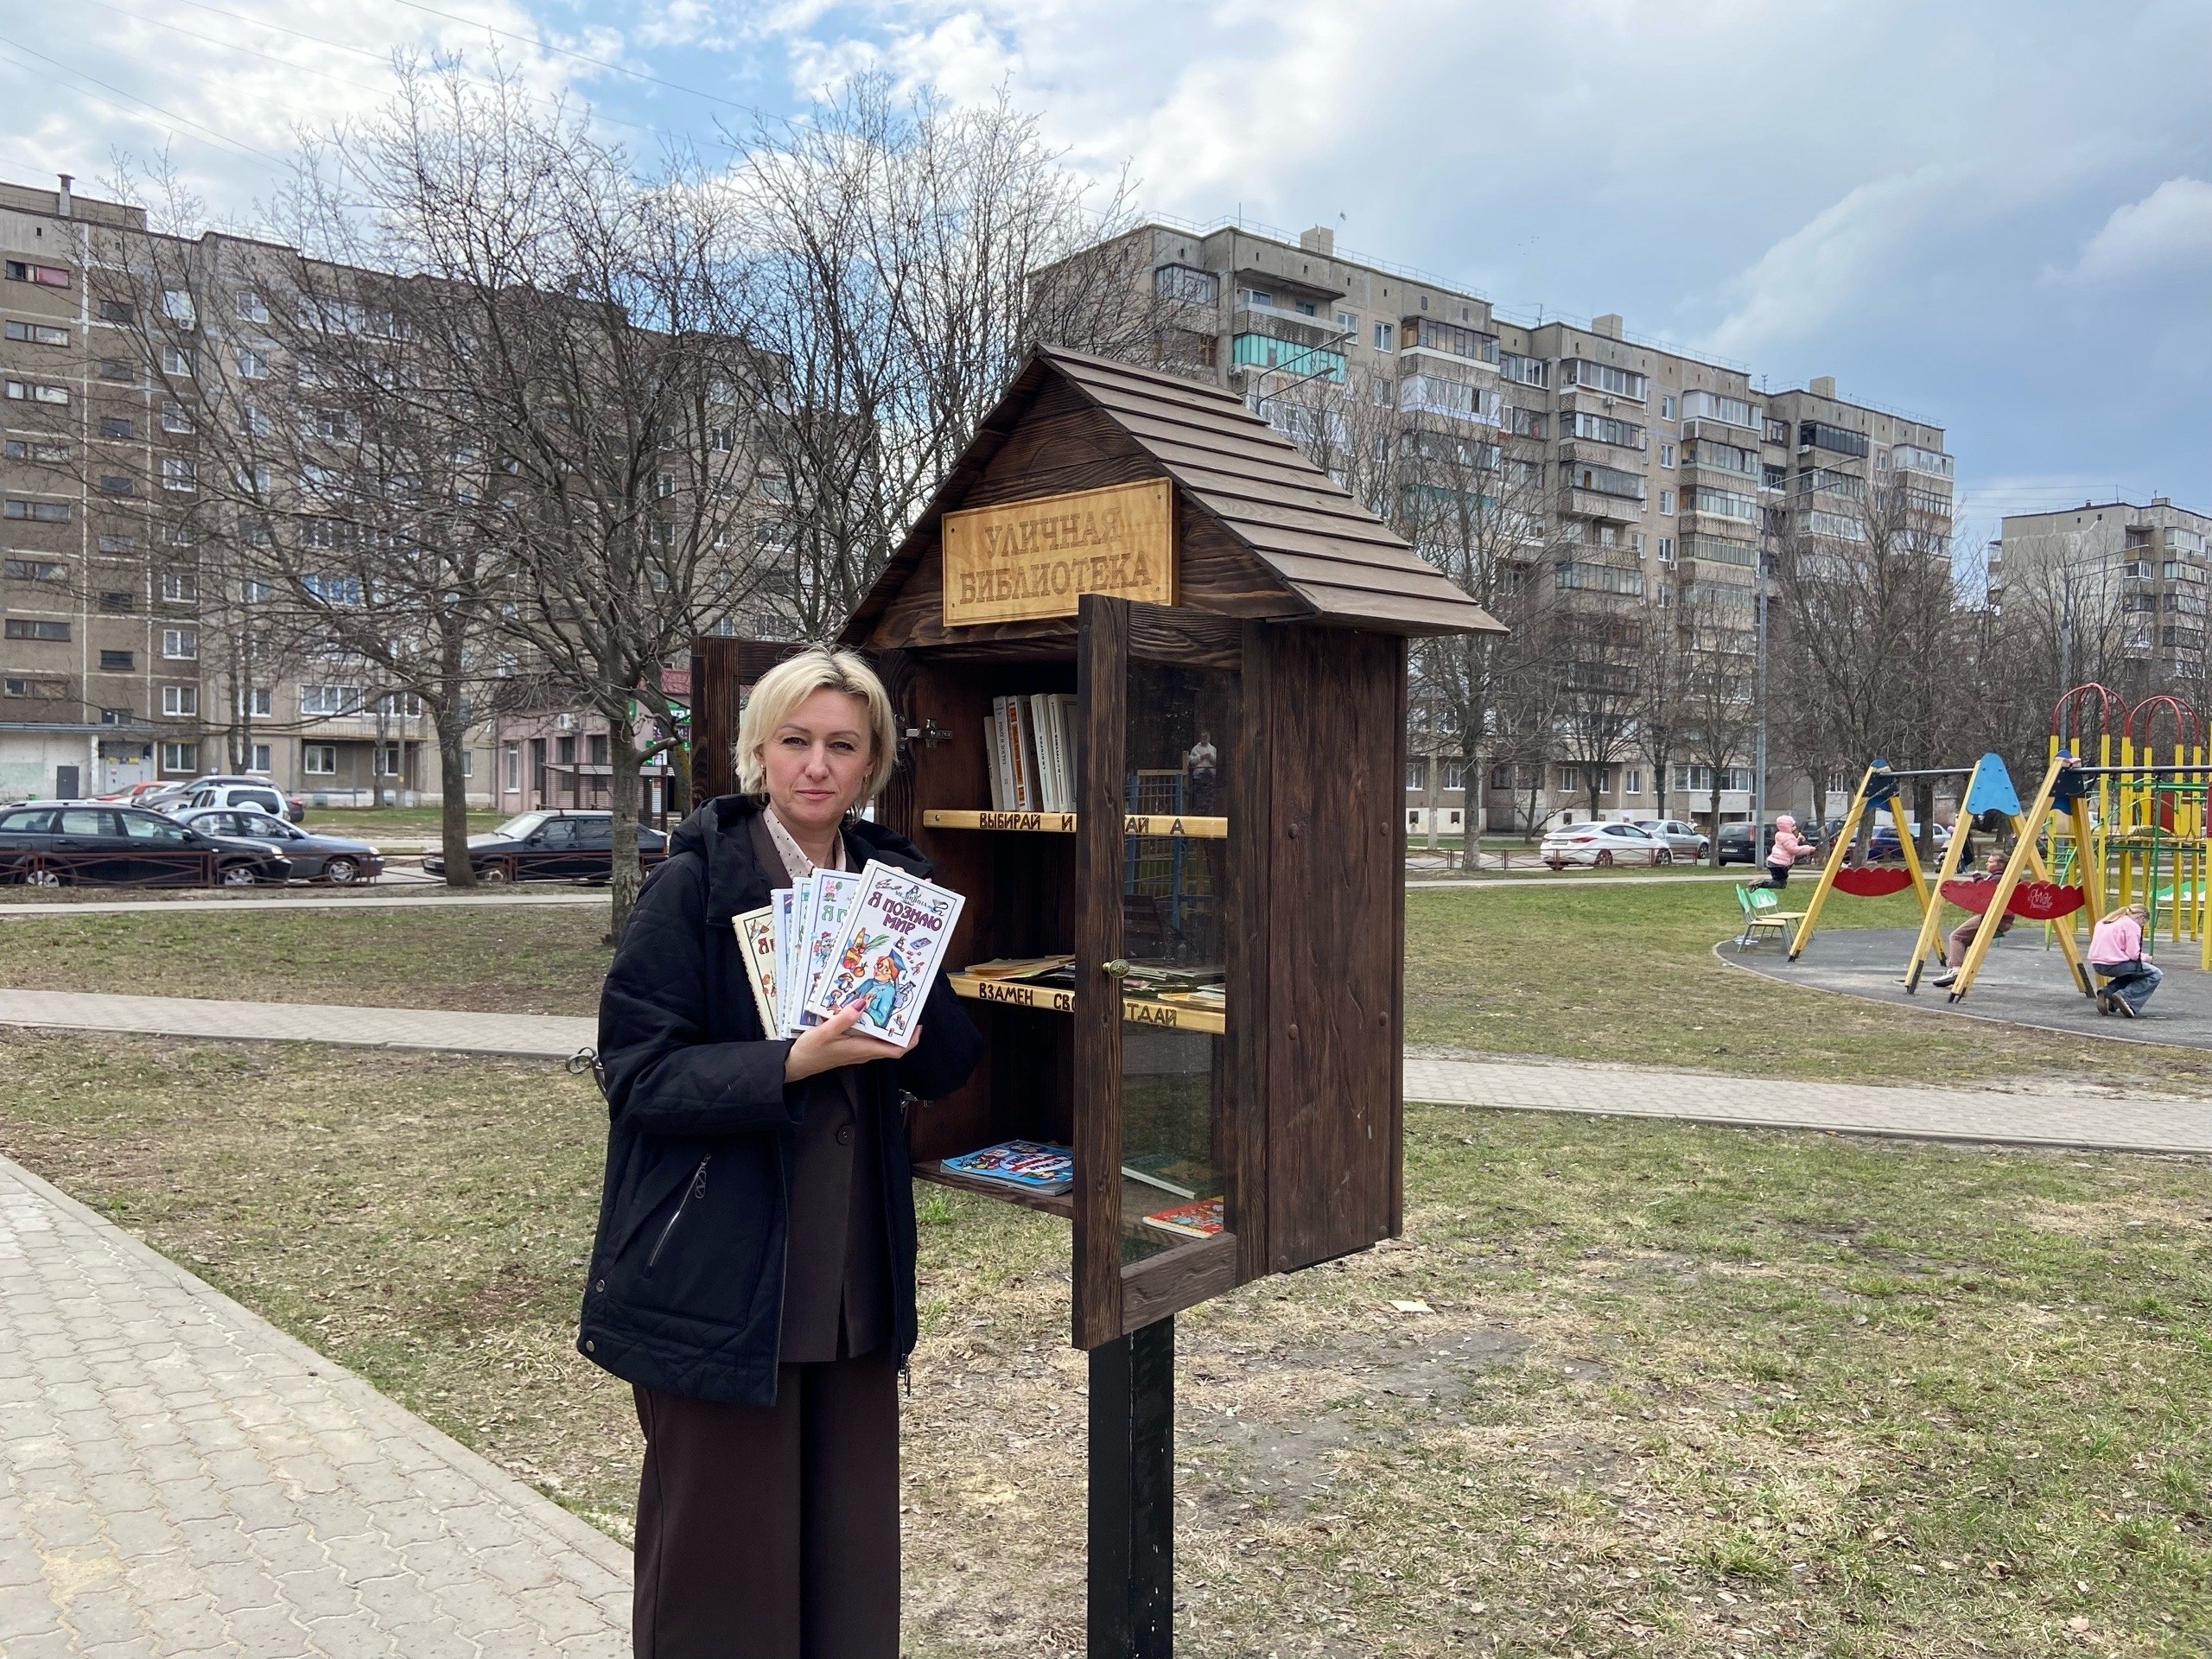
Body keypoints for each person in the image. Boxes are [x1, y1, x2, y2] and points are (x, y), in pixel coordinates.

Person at [579, 645, 982, 1658]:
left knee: (845, 1555)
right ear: (759, 749)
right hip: (719, 1265)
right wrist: (788, 1063)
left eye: (842, 746)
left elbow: (945, 1073)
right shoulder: (696, 884)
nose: (816, 765)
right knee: (723, 1560)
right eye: (796, 741)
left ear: (872, 762)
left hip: (851, 1274)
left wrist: (918, 994)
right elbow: (637, 1077)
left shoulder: (893, 883)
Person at [1929, 853, 2013, 988]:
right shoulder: (2004, 877)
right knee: (1964, 941)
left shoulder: (1998, 878)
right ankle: (1954, 969)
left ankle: (1955, 969)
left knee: (1957, 937)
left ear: (2000, 864)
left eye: (1990, 862)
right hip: (2002, 919)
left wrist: (1977, 878)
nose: (1987, 864)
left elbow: (1983, 892)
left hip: (1994, 917)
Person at [2088, 902, 2163, 1018]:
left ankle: (2108, 992)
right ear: (2141, 916)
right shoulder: (2131, 925)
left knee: (2133, 973)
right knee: (2155, 974)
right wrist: (2146, 958)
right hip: (2115, 964)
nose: (2142, 926)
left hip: (2097, 964)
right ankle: (2126, 997)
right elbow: (2133, 955)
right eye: (2144, 922)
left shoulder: (2105, 921)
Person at [1755, 812, 1810, 888]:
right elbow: (1794, 850)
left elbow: (1787, 846)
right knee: (1781, 884)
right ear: (1787, 827)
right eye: (1793, 825)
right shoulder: (1788, 837)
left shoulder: (1780, 834)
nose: (1795, 827)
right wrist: (1809, 849)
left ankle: (1761, 884)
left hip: (1774, 862)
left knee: (1779, 881)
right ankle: (1761, 883)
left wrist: (1798, 840)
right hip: (1779, 864)